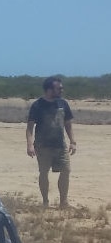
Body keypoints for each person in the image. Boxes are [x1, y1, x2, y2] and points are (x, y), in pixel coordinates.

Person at [26, 76, 76, 208]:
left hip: (60, 145)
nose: (61, 90)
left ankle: (63, 202)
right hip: (43, 146)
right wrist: (30, 145)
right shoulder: (37, 105)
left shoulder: (63, 104)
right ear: (49, 89)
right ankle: (45, 202)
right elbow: (30, 127)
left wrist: (72, 141)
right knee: (44, 173)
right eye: (59, 88)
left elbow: (68, 124)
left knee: (66, 170)